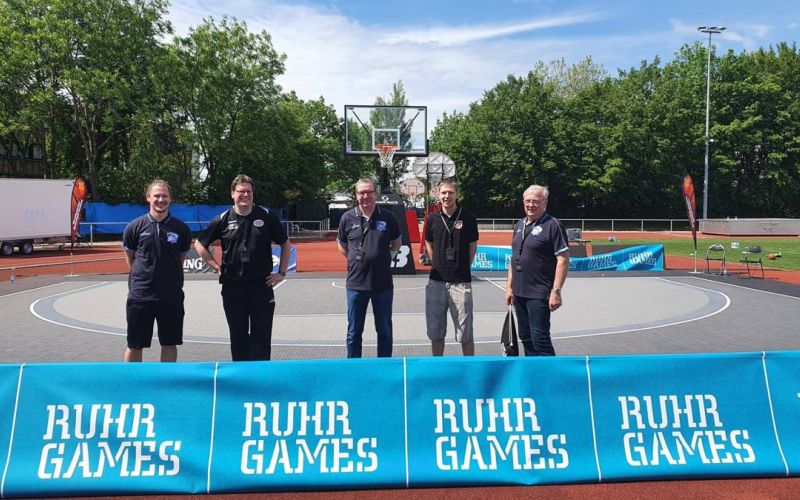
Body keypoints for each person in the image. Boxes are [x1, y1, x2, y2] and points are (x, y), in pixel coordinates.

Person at [194, 174, 291, 361]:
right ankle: (241, 378)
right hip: (233, 287)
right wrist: (216, 266)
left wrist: (282, 272)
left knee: (261, 337)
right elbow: (199, 245)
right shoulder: (222, 219)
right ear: (232, 194)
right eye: (241, 191)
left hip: (261, 286)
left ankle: (260, 380)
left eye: (249, 191)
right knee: (238, 336)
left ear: (253, 193)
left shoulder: (266, 215)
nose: (245, 195)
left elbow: (285, 243)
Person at [122, 179, 192, 362]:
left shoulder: (181, 229)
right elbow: (131, 258)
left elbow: (180, 258)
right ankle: (133, 382)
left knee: (169, 343)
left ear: (170, 199)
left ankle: (166, 383)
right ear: (148, 198)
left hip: (171, 296)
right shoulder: (134, 227)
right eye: (156, 196)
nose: (161, 199)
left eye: (164, 196)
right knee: (135, 344)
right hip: (141, 296)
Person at [337, 178, 402, 358]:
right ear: (356, 195)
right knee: (354, 333)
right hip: (356, 286)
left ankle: (384, 369)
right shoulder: (347, 217)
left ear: (375, 194)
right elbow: (342, 245)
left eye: (369, 192)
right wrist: (354, 259)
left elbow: (397, 243)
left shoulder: (388, 217)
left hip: (383, 286)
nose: (365, 196)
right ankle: (354, 369)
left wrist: (382, 257)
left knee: (385, 332)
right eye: (361, 193)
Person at [504, 184, 569, 356]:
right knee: (525, 337)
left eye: (536, 201)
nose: (531, 205)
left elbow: (563, 259)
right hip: (519, 293)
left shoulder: (553, 225)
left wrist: (556, 291)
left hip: (539, 293)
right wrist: (509, 287)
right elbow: (514, 258)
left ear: (545, 203)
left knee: (540, 339)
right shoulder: (519, 225)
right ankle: (533, 376)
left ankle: (549, 378)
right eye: (528, 201)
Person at [425, 179, 479, 356]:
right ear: (437, 195)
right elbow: (429, 243)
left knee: (465, 332)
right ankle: (437, 366)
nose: (446, 196)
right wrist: (438, 263)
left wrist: (461, 267)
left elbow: (472, 247)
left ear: (457, 194)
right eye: (443, 193)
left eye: (450, 192)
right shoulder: (432, 219)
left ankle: (469, 369)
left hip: (461, 283)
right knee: (436, 331)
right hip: (436, 282)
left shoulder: (468, 218)